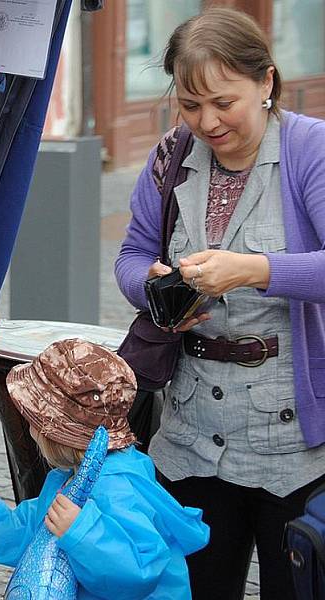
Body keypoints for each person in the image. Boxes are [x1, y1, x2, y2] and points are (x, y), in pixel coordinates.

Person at [115, 8, 325, 599]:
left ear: (266, 84)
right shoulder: (170, 156)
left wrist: (255, 270)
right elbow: (130, 253)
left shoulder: (311, 150)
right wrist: (153, 285)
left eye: (223, 102)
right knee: (193, 587)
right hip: (189, 431)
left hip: (294, 439)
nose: (207, 122)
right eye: (189, 104)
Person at [0, 339, 209, 599]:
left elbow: (138, 572)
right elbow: (33, 532)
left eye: (32, 420)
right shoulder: (70, 477)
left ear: (57, 433)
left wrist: (81, 531)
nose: (29, 428)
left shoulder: (116, 488)